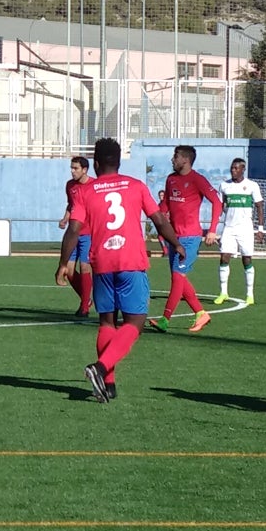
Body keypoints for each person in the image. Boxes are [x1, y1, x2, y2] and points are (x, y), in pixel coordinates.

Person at [58, 137, 182, 402]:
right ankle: (101, 368)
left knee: (106, 322)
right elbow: (158, 219)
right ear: (119, 161)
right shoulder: (135, 186)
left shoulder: (86, 192)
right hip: (131, 261)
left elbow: (74, 230)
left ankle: (109, 385)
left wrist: (62, 264)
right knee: (135, 322)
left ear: (95, 162)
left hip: (101, 263)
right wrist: (176, 244)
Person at [150, 145, 221, 333]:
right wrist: (160, 217)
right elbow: (165, 205)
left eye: (176, 156)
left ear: (186, 160)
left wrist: (212, 230)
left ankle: (165, 320)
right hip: (174, 237)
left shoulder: (197, 179)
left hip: (190, 237)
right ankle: (201, 313)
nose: (172, 160)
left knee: (177, 277)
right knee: (180, 279)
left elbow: (217, 202)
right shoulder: (171, 179)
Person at [215, 157, 262, 305]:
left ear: (243, 169)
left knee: (246, 259)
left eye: (236, 168)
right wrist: (215, 227)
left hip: (245, 229)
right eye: (232, 168)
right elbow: (220, 206)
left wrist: (260, 229)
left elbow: (260, 206)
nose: (233, 171)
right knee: (224, 258)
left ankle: (249, 294)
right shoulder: (224, 186)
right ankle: (223, 293)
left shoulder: (252, 186)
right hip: (229, 227)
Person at [59, 155, 95, 318]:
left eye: (76, 168)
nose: (72, 171)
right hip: (73, 234)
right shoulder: (70, 185)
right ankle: (86, 299)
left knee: (85, 267)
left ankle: (84, 307)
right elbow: (71, 204)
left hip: (88, 233)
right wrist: (66, 218)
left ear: (85, 170)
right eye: (71, 168)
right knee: (69, 271)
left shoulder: (94, 186)